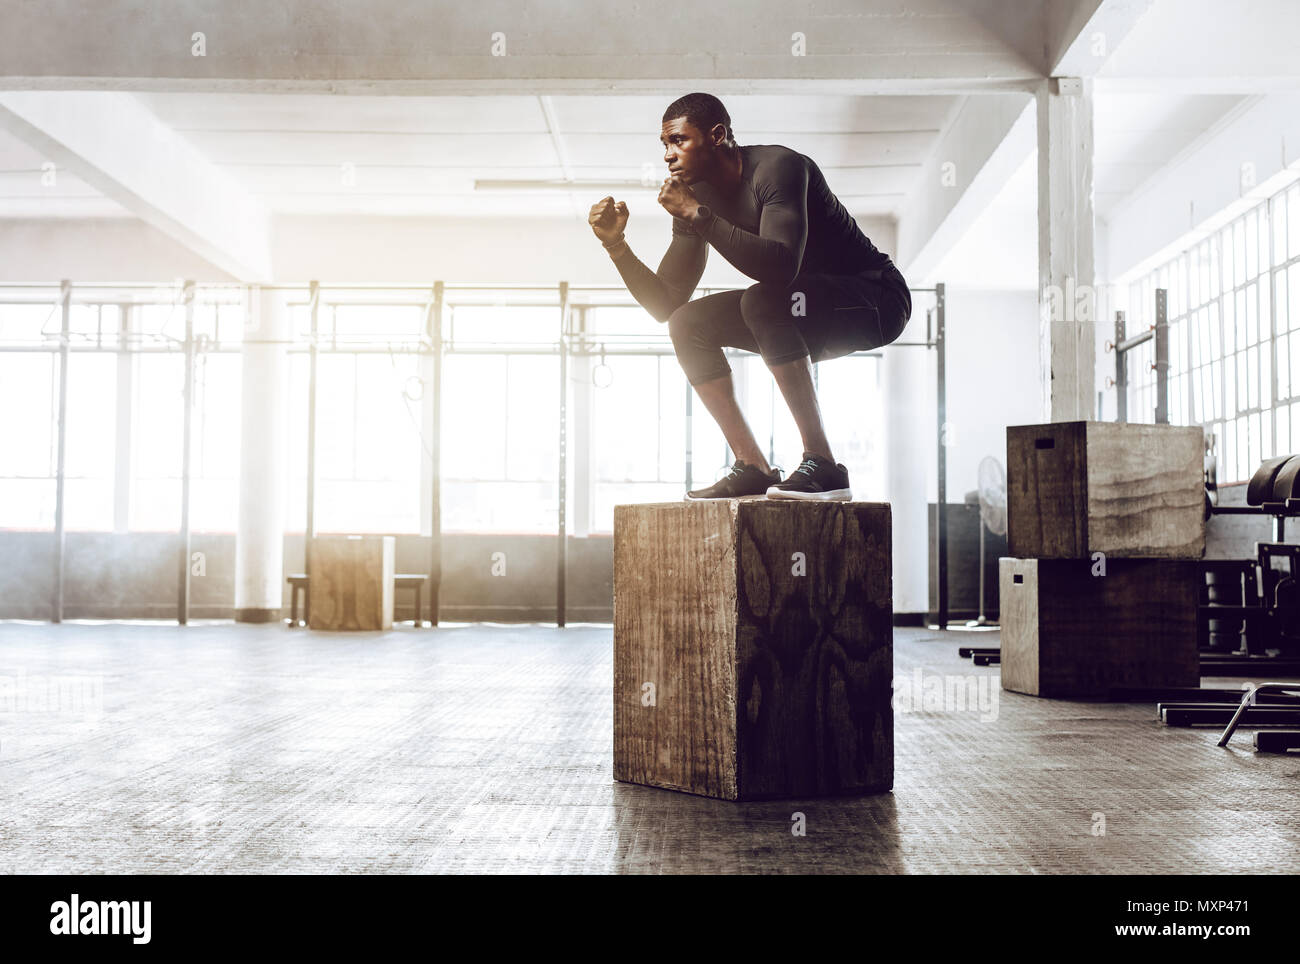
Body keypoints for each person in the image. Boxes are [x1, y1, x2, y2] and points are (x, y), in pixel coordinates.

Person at [589, 92, 911, 501]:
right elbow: (667, 303)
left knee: (761, 299)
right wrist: (616, 246)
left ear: (717, 135)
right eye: (664, 145)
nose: (668, 155)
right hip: (808, 313)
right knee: (687, 324)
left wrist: (696, 215)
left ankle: (824, 463)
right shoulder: (697, 196)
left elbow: (780, 267)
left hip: (877, 300)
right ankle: (753, 465)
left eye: (678, 141)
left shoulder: (778, 169)